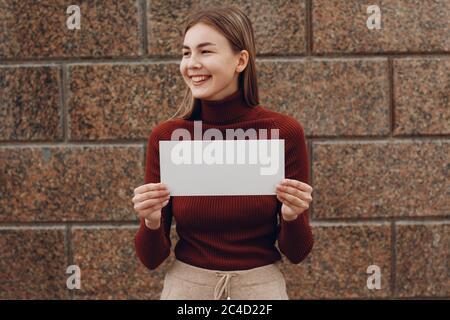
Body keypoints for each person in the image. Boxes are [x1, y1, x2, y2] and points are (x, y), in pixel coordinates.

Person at [132, 6, 314, 300]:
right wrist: (152, 222)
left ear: (241, 60)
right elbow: (150, 258)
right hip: (187, 290)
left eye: (205, 52)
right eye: (186, 53)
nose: (192, 63)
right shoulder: (168, 138)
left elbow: (298, 252)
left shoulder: (282, 133)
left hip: (260, 291)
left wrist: (292, 217)